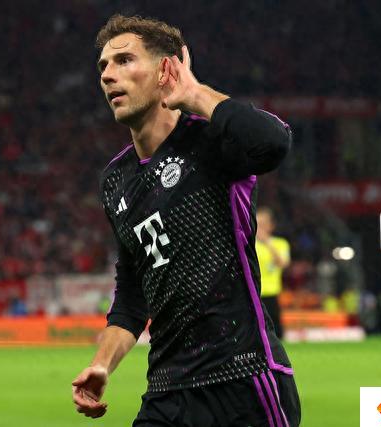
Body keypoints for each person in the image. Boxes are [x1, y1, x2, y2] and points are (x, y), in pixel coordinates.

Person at [71, 14, 301, 426]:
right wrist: (102, 363)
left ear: (166, 70)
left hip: (242, 378)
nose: (107, 75)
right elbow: (131, 296)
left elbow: (275, 142)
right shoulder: (115, 181)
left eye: (124, 60)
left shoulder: (211, 140)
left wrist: (195, 93)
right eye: (103, 65)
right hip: (166, 391)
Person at [256, 207, 291, 340]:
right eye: (257, 223)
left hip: (271, 293)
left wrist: (267, 243)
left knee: (276, 332)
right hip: (252, 293)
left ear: (271, 225)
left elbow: (283, 263)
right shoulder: (249, 244)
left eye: (263, 224)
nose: (260, 228)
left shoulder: (280, 243)